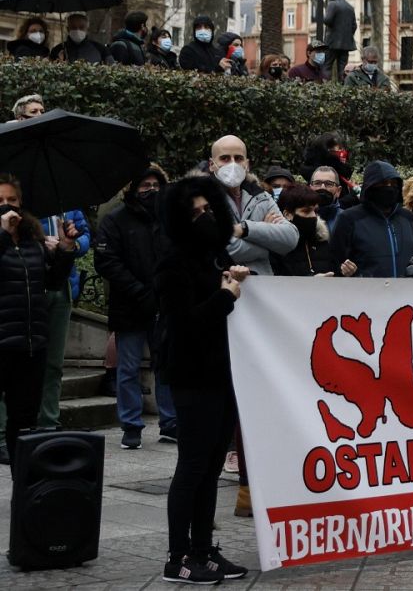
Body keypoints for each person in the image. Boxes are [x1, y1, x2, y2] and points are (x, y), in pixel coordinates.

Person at [157, 174, 251, 585]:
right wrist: (226, 296)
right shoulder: (173, 262)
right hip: (192, 375)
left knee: (212, 466)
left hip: (221, 373)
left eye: (208, 209)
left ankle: (202, 550)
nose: (204, 217)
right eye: (194, 212)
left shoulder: (214, 259)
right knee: (193, 466)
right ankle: (177, 556)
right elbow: (186, 324)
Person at [97, 165, 178, 450]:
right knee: (128, 368)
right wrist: (138, 290)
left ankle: (170, 423)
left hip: (164, 305)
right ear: (133, 188)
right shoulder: (116, 219)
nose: (151, 190)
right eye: (145, 185)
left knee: (166, 366)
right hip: (129, 307)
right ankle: (131, 425)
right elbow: (107, 261)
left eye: (156, 185)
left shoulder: (170, 219)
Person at [0, 173, 74, 466]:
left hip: (31, 342)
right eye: (0, 201)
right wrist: (3, 235)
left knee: (24, 421)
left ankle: (24, 493)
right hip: (2, 341)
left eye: (12, 200)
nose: (7, 206)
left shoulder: (33, 239)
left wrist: (66, 251)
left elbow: (53, 283)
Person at [208, 135, 297, 277]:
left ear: (247, 164)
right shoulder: (202, 200)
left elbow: (290, 238)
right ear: (212, 164)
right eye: (225, 158)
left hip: (261, 291)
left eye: (238, 158)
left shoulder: (261, 197)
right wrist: (268, 242)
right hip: (220, 287)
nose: (232, 164)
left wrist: (245, 229)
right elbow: (219, 248)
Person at [329, 161, 413, 278]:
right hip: (365, 294)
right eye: (383, 183)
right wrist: (344, 272)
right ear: (370, 187)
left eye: (393, 183)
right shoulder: (349, 219)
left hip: (407, 294)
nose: (389, 188)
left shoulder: (409, 219)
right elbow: (334, 263)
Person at [270, 183, 340, 277]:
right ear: (287, 215)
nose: (313, 216)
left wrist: (344, 272)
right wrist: (310, 282)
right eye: (306, 211)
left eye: (315, 211)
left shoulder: (322, 242)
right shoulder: (276, 246)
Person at [321, 0, 358, 77]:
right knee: (343, 68)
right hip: (346, 43)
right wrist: (347, 35)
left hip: (332, 42)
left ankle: (326, 87)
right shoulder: (350, 7)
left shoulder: (332, 4)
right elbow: (354, 26)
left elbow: (327, 20)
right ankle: (343, 87)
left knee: (326, 65)